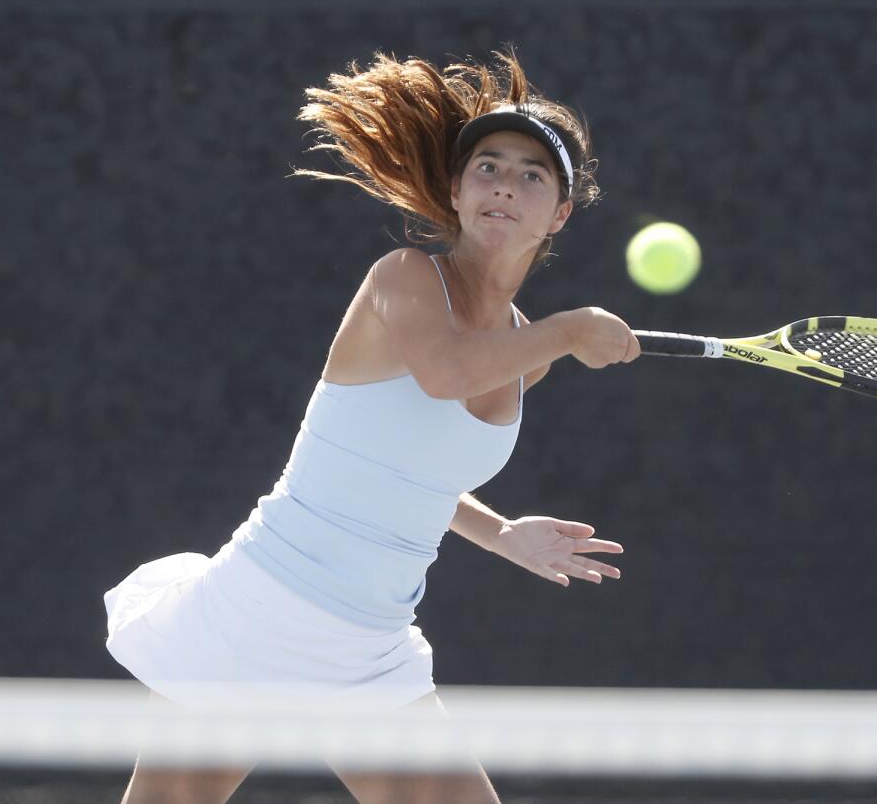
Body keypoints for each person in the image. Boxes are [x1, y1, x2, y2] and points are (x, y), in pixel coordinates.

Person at [103, 48, 640, 804]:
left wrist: (501, 533)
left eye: (531, 175)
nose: (504, 186)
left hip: (370, 651)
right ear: (456, 191)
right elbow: (445, 373)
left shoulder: (527, 348)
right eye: (488, 166)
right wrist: (570, 328)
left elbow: (408, 472)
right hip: (258, 614)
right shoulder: (405, 279)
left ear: (558, 215)